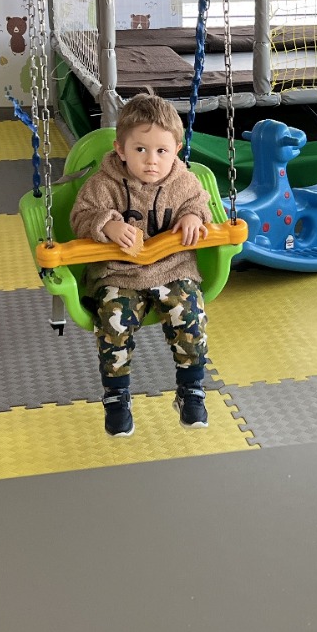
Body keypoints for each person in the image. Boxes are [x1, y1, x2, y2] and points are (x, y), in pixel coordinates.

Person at [70, 93, 213, 436]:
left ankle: (191, 388)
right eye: (140, 149)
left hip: (173, 268)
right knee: (113, 321)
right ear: (120, 150)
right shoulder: (103, 183)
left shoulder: (183, 182)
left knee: (190, 315)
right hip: (119, 272)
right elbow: (80, 217)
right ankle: (116, 396)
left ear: (177, 150)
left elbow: (201, 205)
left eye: (162, 150)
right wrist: (107, 225)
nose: (152, 160)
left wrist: (193, 217)